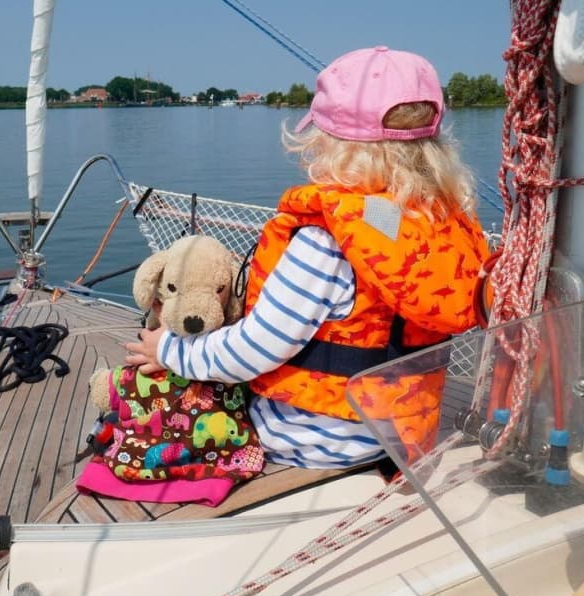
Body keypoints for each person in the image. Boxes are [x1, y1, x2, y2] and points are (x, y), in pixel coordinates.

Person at [124, 46, 489, 470]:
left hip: (308, 440)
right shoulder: (435, 222)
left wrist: (168, 349)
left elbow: (252, 351)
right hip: (395, 435)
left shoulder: (324, 243)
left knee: (143, 401)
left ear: (331, 143)